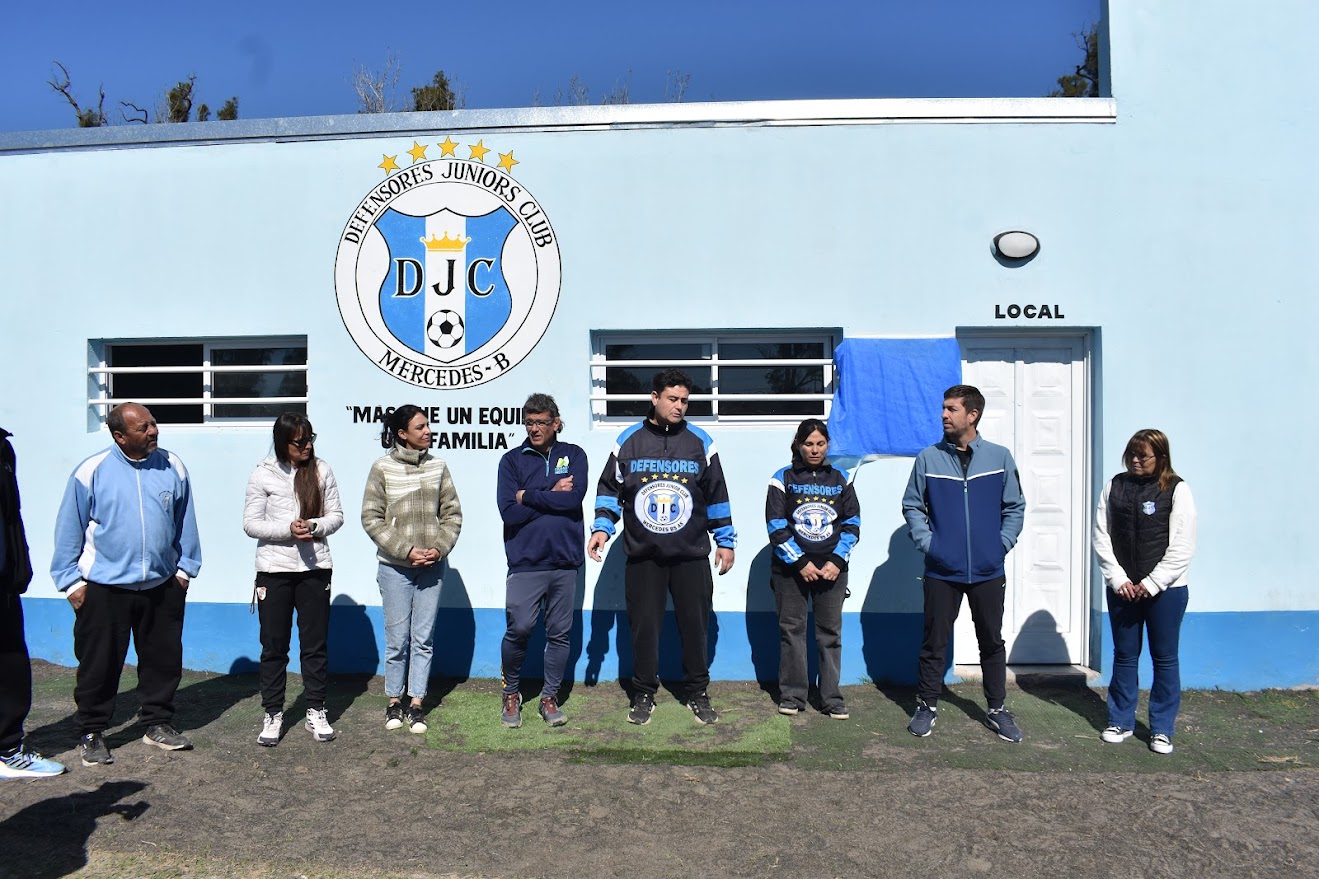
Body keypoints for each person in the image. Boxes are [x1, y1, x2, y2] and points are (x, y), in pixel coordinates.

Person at [51, 403, 203, 766]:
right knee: (99, 665)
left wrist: (184, 572)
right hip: (104, 589)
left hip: (162, 586)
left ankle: (157, 723)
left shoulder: (173, 466)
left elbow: (186, 523)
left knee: (163, 661)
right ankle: (92, 731)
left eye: (153, 424)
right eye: (143, 428)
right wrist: (70, 582)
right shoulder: (91, 472)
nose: (153, 431)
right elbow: (69, 529)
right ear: (119, 435)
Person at [588, 368, 736, 726]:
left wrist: (726, 541)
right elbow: (609, 490)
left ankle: (697, 692)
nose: (680, 406)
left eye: (685, 400)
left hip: (691, 556)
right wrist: (602, 529)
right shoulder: (629, 441)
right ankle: (643, 694)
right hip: (644, 557)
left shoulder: (701, 442)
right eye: (673, 399)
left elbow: (717, 494)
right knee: (644, 628)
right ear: (654, 398)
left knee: (695, 627)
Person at [902, 385, 1026, 742]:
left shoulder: (999, 457)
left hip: (988, 569)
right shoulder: (928, 458)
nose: (944, 414)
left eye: (951, 409)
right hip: (942, 570)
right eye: (943, 408)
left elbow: (1015, 507)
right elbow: (912, 505)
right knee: (934, 641)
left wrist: (1000, 544)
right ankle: (927, 705)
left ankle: (997, 709)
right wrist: (930, 545)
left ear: (972, 415)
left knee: (991, 641)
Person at [243, 414, 344, 747]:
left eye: (310, 438)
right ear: (283, 442)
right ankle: (273, 713)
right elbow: (251, 524)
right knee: (274, 648)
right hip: (273, 571)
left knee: (315, 646)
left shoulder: (322, 470)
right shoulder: (263, 473)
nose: (308, 446)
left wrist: (314, 527)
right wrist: (287, 529)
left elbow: (336, 516)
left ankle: (316, 709)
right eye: (300, 442)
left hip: (315, 569)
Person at [1093, 429, 1196, 755]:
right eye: (1132, 454)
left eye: (1144, 455)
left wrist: (1151, 583)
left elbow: (1182, 546)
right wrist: (1119, 579)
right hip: (1123, 589)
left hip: (1166, 592)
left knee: (1164, 659)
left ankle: (1162, 729)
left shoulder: (1177, 490)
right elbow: (1101, 535)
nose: (1136, 460)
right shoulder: (1115, 486)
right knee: (1124, 656)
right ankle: (1120, 721)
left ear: (1161, 458)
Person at [362, 405, 462, 734]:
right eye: (420, 427)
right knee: (397, 641)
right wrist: (406, 551)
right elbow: (371, 517)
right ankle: (394, 700)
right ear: (402, 434)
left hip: (432, 567)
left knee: (423, 639)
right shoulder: (382, 468)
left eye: (428, 426)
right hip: (395, 569)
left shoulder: (439, 467)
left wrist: (438, 548)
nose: (428, 431)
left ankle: (416, 703)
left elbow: (452, 514)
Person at [496, 393, 588, 728]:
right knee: (519, 629)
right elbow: (509, 511)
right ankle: (511, 692)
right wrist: (551, 491)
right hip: (525, 562)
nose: (535, 428)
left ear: (556, 423)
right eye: (530, 422)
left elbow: (573, 499)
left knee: (559, 634)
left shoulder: (574, 455)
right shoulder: (511, 461)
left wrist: (529, 494)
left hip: (564, 563)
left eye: (541, 422)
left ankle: (549, 697)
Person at [765, 419, 860, 719]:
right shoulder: (782, 478)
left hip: (833, 570)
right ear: (798, 445)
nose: (815, 450)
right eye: (809, 444)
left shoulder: (841, 478)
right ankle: (793, 696)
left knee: (829, 633)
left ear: (828, 445)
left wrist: (837, 561)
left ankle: (831, 698)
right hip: (790, 571)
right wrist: (800, 562)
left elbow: (853, 523)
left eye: (820, 444)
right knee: (792, 631)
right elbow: (776, 525)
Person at [1, 427, 66, 778]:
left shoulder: (2, 449)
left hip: (3, 583)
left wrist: (18, 565)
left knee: (11, 667)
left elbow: (11, 518)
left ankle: (8, 750)